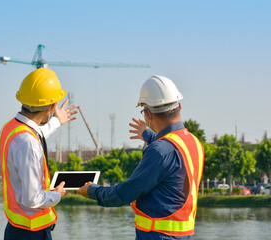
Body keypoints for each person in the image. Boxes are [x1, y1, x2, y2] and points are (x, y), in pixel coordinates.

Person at [78, 75, 204, 240]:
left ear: (147, 113)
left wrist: (93, 191)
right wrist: (149, 135)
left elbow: (124, 193)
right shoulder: (193, 142)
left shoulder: (159, 151)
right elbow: (172, 155)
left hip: (158, 236)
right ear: (179, 106)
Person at [0, 68, 78, 240]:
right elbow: (32, 199)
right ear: (52, 106)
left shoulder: (11, 129)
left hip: (16, 228)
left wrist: (56, 121)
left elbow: (36, 133)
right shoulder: (28, 143)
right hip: (30, 232)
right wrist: (57, 194)